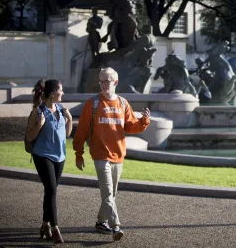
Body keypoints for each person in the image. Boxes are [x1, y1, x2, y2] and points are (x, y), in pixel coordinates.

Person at [73, 67, 150, 241]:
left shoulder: (123, 103)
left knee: (111, 195)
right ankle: (116, 226)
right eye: (101, 81)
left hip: (118, 155)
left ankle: (101, 222)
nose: (103, 85)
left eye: (107, 81)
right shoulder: (92, 103)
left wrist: (144, 121)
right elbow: (82, 131)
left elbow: (130, 126)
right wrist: (79, 153)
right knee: (108, 194)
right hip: (100, 155)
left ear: (115, 82)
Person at [26, 79, 73, 244]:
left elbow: (66, 135)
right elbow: (29, 137)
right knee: (52, 189)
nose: (63, 93)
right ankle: (55, 228)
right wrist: (39, 125)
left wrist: (70, 119)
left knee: (50, 190)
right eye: (61, 90)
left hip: (60, 156)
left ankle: (45, 224)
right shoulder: (38, 112)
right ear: (53, 93)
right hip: (42, 156)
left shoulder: (61, 109)